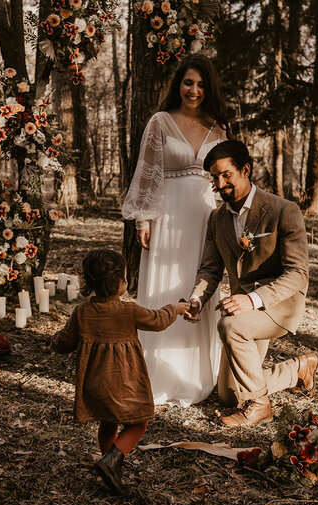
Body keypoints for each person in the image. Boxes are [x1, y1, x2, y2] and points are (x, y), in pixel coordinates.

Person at [185, 140, 318, 427]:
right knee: (228, 396)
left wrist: (252, 300)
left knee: (230, 326)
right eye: (214, 177)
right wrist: (196, 299)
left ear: (245, 170)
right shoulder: (216, 218)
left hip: (278, 304)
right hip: (242, 308)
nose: (219, 184)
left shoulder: (283, 210)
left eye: (226, 175)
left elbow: (298, 273)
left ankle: (260, 405)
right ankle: (299, 367)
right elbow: (210, 269)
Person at [121, 53, 228, 406]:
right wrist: (144, 219)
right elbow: (147, 172)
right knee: (167, 285)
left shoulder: (218, 127)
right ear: (178, 85)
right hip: (168, 216)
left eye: (200, 84)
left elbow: (227, 177)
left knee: (198, 283)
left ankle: (195, 375)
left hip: (205, 218)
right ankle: (157, 372)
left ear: (208, 88)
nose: (193, 90)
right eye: (187, 83)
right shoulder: (160, 122)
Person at [51, 249, 190, 494]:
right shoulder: (128, 311)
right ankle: (112, 458)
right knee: (139, 423)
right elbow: (158, 320)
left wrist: (53, 340)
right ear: (117, 282)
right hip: (123, 381)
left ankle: (110, 466)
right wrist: (175, 308)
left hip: (95, 384)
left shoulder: (82, 312)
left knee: (108, 421)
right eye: (125, 277)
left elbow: (64, 343)